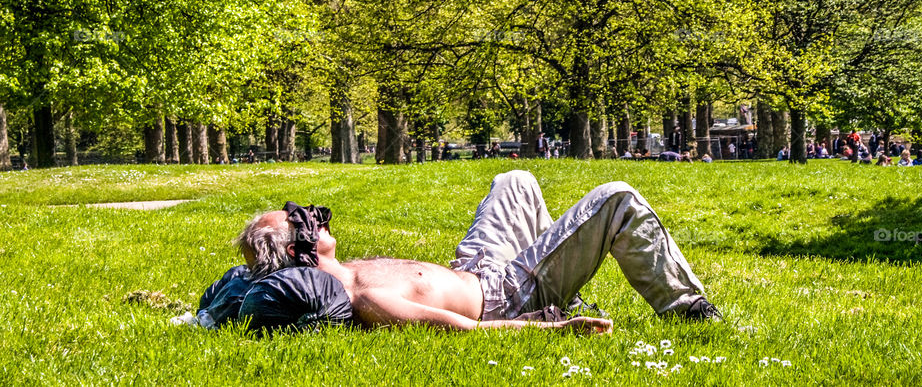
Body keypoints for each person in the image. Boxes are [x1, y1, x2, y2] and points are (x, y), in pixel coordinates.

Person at [222, 171, 719, 333]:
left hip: (480, 265)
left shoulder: (348, 271)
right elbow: (469, 331)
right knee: (617, 199)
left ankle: (563, 265)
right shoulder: (366, 297)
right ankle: (691, 309)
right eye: (301, 221)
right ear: (298, 248)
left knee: (514, 180)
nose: (315, 215)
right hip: (510, 294)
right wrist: (550, 328)